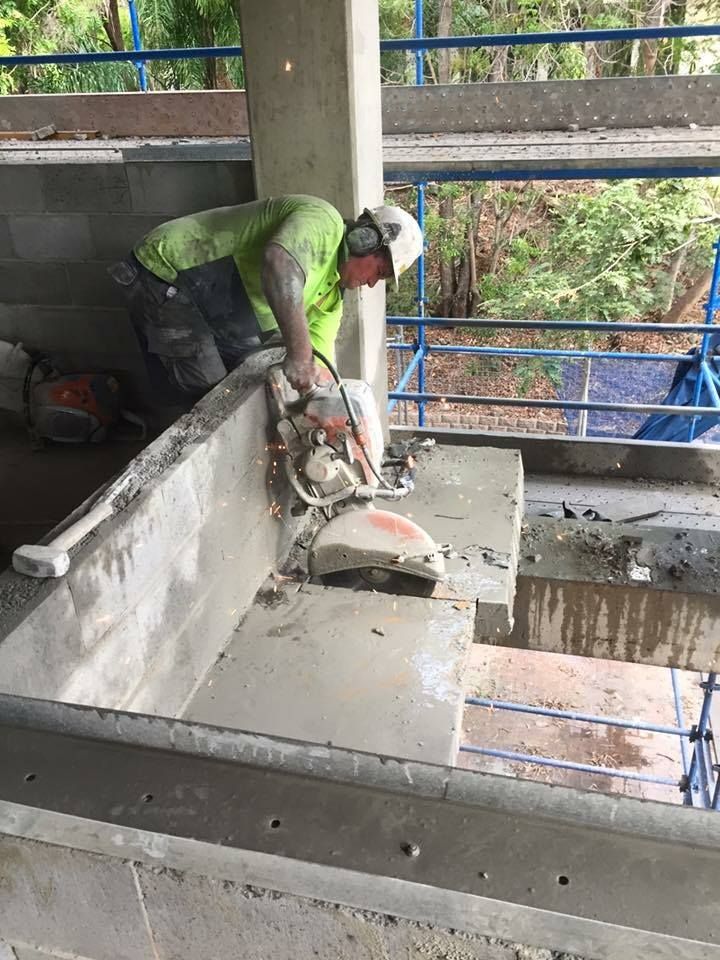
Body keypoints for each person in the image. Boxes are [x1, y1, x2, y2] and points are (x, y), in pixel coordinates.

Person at [109, 194, 422, 398]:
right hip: (167, 270)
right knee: (208, 395)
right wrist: (299, 356)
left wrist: (332, 410)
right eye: (379, 273)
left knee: (245, 387)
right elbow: (280, 264)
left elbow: (321, 370)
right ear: (365, 240)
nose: (371, 285)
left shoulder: (331, 300)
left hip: (213, 304)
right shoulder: (322, 220)